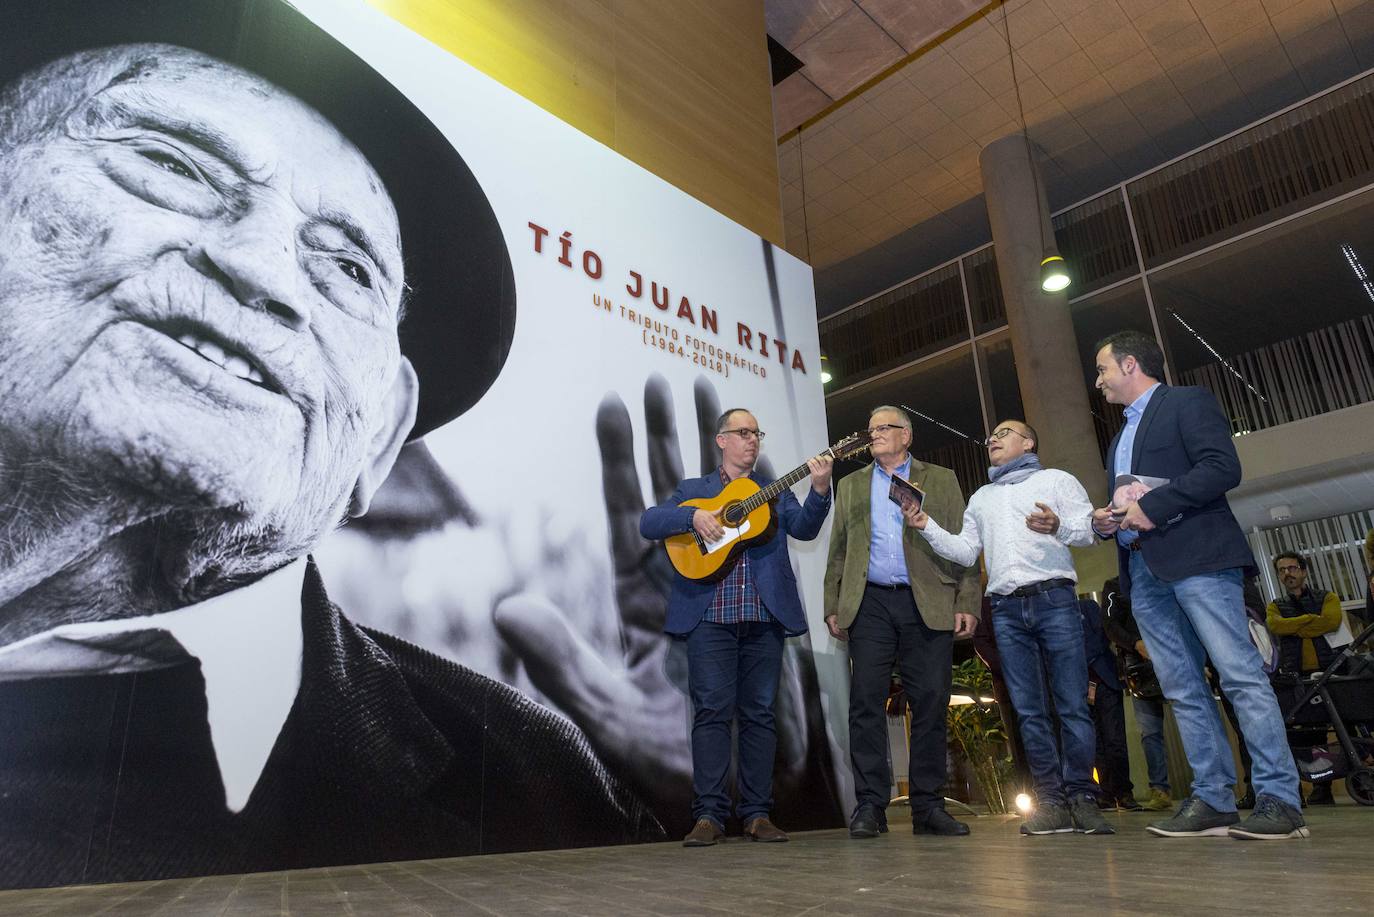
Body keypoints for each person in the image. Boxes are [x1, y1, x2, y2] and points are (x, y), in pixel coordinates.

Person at [0, 37, 663, 890]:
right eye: (172, 164)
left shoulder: (538, 784)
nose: (261, 271)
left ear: (381, 439)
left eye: (348, 267)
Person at [1090, 330, 1307, 840]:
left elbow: (1222, 467)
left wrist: (1151, 508)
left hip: (1201, 560)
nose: (1097, 381)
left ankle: (1280, 798)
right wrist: (1110, 521)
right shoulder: (1119, 439)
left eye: (1102, 370)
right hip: (1144, 571)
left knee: (1240, 678)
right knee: (1183, 690)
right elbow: (1132, 503)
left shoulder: (1187, 403)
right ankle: (1212, 799)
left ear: (1128, 365)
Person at [908, 419, 1113, 836]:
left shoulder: (1057, 480)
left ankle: (1082, 797)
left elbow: (1088, 533)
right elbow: (966, 551)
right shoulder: (981, 498)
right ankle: (1051, 802)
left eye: (1003, 433)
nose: (991, 440)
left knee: (1072, 704)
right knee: (1030, 712)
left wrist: (1058, 526)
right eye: (990, 436)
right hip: (1003, 609)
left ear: (1029, 441)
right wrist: (925, 525)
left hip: (1055, 600)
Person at [639, 408, 833, 846]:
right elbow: (649, 522)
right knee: (710, 714)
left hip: (763, 617)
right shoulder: (695, 490)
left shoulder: (773, 490)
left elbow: (803, 530)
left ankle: (757, 814)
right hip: (710, 618)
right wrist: (692, 519)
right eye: (743, 433)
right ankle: (708, 815)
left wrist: (820, 489)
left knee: (760, 716)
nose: (752, 440)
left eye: (756, 433)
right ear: (721, 440)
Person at [823, 406, 980, 839]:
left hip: (925, 601)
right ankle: (870, 805)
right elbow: (838, 550)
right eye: (870, 428)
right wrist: (832, 604)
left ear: (906, 436)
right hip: (870, 603)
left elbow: (966, 543)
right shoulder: (851, 485)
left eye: (883, 428)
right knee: (866, 702)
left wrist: (968, 599)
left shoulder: (942, 479)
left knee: (930, 701)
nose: (874, 434)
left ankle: (928, 807)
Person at [1267, 551, 1345, 805]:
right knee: (1301, 735)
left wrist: (1296, 625)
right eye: (1282, 570)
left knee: (1333, 731)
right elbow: (1276, 626)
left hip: (1328, 672)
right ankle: (1308, 789)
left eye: (1292, 568)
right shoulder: (1275, 605)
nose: (1287, 573)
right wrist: (1312, 620)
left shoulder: (1327, 597)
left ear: (1303, 570)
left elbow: (1332, 621)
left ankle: (1335, 784)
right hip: (1294, 677)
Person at [1101, 576, 1173, 811]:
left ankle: (1212, 786)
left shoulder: (1162, 575)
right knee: (1150, 732)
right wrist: (1136, 643)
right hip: (1138, 667)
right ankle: (1159, 790)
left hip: (1173, 656)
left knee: (1195, 719)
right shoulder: (1114, 586)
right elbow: (1110, 626)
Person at [1080, 597, 1139, 812]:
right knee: (1095, 745)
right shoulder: (1055, 615)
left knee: (1115, 740)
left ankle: (1124, 792)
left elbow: (1103, 635)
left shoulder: (1088, 606)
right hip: (1079, 687)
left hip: (1105, 680)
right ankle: (1104, 793)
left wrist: (1081, 659)